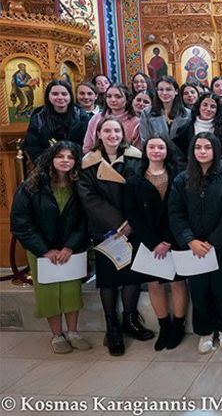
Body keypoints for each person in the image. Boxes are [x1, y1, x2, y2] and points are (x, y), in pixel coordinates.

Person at [77, 117, 152, 356]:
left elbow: (142, 189)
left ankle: (130, 321)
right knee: (109, 279)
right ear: (98, 134)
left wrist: (133, 220)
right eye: (107, 130)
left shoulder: (136, 157)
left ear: (123, 133)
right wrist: (118, 222)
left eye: (116, 130)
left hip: (133, 225)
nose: (112, 135)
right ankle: (112, 328)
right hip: (107, 228)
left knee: (132, 276)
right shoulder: (88, 163)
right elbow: (89, 198)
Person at [11, 141, 91, 354]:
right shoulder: (31, 186)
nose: (65, 161)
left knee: (71, 290)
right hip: (41, 251)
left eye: (70, 157)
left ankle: (73, 332)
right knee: (48, 292)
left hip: (70, 250)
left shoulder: (80, 184)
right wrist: (44, 250)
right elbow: (20, 222)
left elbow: (84, 221)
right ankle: (57, 335)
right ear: (51, 159)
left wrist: (70, 247)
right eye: (60, 156)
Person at [169, 132, 222, 354]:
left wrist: (212, 241)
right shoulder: (182, 179)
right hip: (193, 248)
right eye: (198, 147)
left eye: (207, 147)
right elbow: (175, 213)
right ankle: (205, 331)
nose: (202, 151)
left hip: (220, 245)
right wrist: (190, 240)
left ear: (215, 150)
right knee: (199, 290)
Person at [125, 135, 188, 351]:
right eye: (151, 147)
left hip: (174, 238)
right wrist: (153, 242)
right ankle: (165, 326)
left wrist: (169, 240)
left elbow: (182, 210)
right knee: (154, 284)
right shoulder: (135, 179)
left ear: (167, 150)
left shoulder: (179, 176)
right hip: (149, 241)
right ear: (145, 151)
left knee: (177, 283)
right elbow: (132, 214)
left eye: (161, 147)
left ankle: (178, 326)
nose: (156, 150)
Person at [23, 80, 91, 164]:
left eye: (64, 94)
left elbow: (88, 144)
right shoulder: (38, 117)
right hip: (48, 166)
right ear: (48, 96)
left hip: (78, 164)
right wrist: (48, 164)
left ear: (70, 96)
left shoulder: (81, 116)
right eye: (55, 94)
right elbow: (32, 145)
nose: (60, 97)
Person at [173, 93, 222, 168]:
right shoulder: (183, 130)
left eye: (213, 107)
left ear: (217, 110)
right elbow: (180, 159)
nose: (208, 109)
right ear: (199, 106)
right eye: (205, 105)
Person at [83, 84, 142, 153]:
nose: (113, 100)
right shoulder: (96, 118)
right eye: (109, 96)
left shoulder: (136, 122)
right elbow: (87, 147)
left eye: (118, 97)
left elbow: (138, 151)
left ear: (127, 99)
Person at [140, 76, 191, 143]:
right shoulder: (147, 113)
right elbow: (145, 140)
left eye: (168, 89)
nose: (164, 93)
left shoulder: (187, 114)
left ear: (176, 91)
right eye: (161, 89)